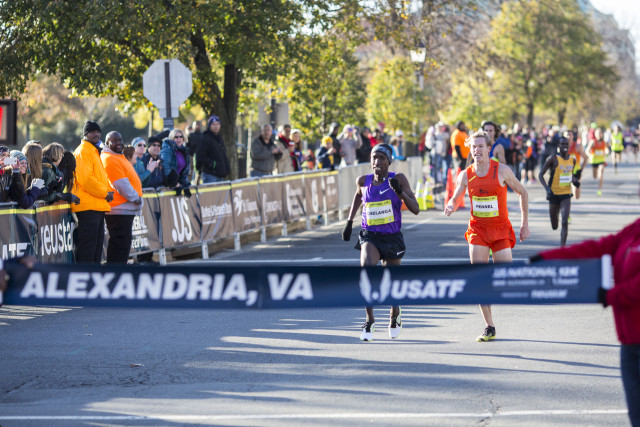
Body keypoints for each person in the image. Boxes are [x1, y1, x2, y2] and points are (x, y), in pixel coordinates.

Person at [531, 194, 640, 427]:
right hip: (630, 344)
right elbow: (598, 248)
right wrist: (548, 258)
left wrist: (610, 296)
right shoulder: (635, 230)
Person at [444, 130, 529, 342]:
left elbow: (523, 192)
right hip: (478, 230)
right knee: (479, 277)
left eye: (481, 146)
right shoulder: (465, 174)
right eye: (474, 147)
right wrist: (450, 206)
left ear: (489, 149)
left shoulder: (502, 171)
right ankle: (489, 325)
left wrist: (524, 224)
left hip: (500, 230)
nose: (477, 150)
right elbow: (456, 197)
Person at [342, 143, 419, 341]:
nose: (377, 162)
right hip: (370, 235)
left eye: (381, 158)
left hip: (392, 237)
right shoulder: (363, 180)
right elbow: (358, 196)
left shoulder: (398, 178)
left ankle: (394, 314)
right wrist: (350, 222)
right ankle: (369, 321)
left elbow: (416, 208)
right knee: (367, 274)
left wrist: (400, 193)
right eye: (374, 157)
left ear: (389, 161)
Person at [72, 120, 114, 263]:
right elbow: (86, 180)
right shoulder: (83, 151)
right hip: (87, 205)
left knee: (96, 247)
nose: (96, 134)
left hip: (96, 204)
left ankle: (94, 275)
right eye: (92, 132)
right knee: (88, 247)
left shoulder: (94, 151)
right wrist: (104, 193)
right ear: (85, 134)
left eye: (98, 131)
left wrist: (108, 191)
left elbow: (99, 178)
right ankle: (85, 277)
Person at [101, 131, 143, 263]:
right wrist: (135, 198)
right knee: (119, 244)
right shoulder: (109, 158)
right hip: (119, 209)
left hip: (123, 208)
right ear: (107, 143)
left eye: (120, 140)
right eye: (115, 141)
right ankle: (116, 272)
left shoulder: (117, 156)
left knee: (123, 244)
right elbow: (120, 184)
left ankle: (118, 270)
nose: (119, 143)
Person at [538, 137, 577, 247]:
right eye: (562, 144)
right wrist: (547, 189)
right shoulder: (553, 158)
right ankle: (555, 224)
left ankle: (562, 248)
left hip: (566, 194)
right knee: (554, 225)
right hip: (553, 194)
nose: (565, 146)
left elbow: (570, 174)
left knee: (565, 221)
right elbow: (540, 175)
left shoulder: (572, 159)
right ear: (558, 145)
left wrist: (574, 180)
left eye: (566, 144)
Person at [197, 115, 230, 183]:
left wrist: (227, 168)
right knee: (211, 193)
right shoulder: (205, 138)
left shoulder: (219, 139)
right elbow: (200, 157)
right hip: (210, 175)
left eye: (217, 124)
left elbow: (223, 155)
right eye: (213, 124)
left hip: (220, 174)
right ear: (209, 126)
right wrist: (213, 164)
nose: (216, 126)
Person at [161, 128, 192, 196]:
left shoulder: (183, 150)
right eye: (176, 137)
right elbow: (165, 167)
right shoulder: (167, 149)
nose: (179, 139)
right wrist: (175, 183)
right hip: (168, 185)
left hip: (178, 184)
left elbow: (183, 172)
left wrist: (184, 185)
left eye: (181, 136)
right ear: (171, 139)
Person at [586, 127, 608, 196]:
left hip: (601, 160)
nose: (599, 135)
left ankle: (599, 189)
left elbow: (606, 149)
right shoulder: (592, 142)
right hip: (594, 161)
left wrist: (607, 152)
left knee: (601, 173)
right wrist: (589, 155)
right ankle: (597, 177)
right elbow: (587, 151)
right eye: (597, 133)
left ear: (602, 134)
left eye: (600, 133)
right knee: (595, 176)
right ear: (595, 134)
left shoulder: (604, 142)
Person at [566, 129, 587, 199]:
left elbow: (585, 158)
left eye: (570, 135)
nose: (568, 137)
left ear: (572, 136)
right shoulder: (561, 147)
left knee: (576, 196)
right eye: (567, 135)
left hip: (576, 172)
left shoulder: (577, 146)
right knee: (564, 194)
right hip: (565, 173)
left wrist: (581, 169)